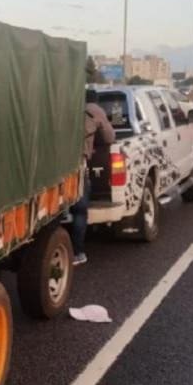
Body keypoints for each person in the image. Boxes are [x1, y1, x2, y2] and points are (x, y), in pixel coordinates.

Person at [70, 92, 114, 266]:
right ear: (95, 101)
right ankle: (78, 252)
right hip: (78, 164)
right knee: (80, 211)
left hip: (56, 164)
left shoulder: (67, 106)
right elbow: (110, 137)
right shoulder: (94, 110)